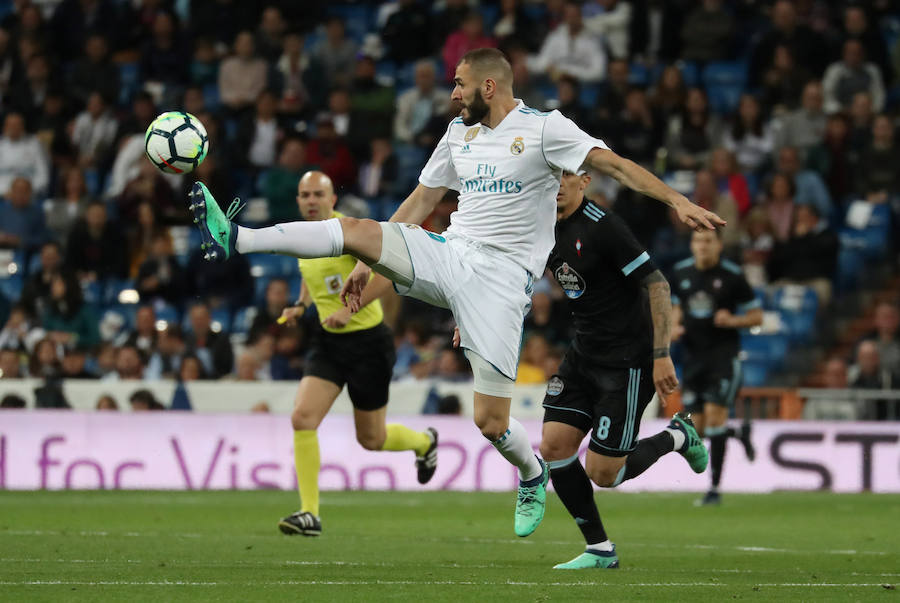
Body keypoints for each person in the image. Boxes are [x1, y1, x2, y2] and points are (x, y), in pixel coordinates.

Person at [187, 48, 723, 537]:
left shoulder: (545, 129)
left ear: (489, 86)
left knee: (490, 421)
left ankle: (531, 472)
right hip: (450, 252)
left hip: (501, 284)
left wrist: (676, 200)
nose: (453, 94)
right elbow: (423, 200)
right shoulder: (457, 134)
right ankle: (239, 237)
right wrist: (370, 262)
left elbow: (615, 166)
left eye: (460, 84)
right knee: (354, 229)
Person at [533, 170, 708, 569]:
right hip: (583, 352)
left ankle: (677, 436)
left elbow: (658, 285)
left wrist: (661, 354)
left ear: (584, 181)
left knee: (604, 473)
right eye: (552, 174)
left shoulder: (604, 227)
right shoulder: (539, 223)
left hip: (626, 361)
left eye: (566, 175)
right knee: (554, 445)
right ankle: (599, 549)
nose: (557, 182)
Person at [275, 171, 438, 538]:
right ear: (298, 200)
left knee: (372, 439)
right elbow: (311, 274)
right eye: (305, 195)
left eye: (318, 194)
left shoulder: (349, 233)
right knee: (302, 418)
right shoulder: (303, 237)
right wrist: (301, 305)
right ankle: (309, 513)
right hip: (328, 343)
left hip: (368, 344)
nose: (311, 201)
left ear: (332, 199)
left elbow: (386, 277)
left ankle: (424, 442)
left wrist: (349, 311)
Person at [671, 229, 762, 506]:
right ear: (691, 244)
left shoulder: (733, 275)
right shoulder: (681, 273)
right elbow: (676, 306)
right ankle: (738, 434)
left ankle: (714, 489)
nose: (703, 246)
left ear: (719, 245)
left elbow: (757, 317)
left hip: (723, 357)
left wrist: (733, 321)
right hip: (693, 358)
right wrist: (674, 326)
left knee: (714, 419)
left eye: (708, 241)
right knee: (697, 430)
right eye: (698, 240)